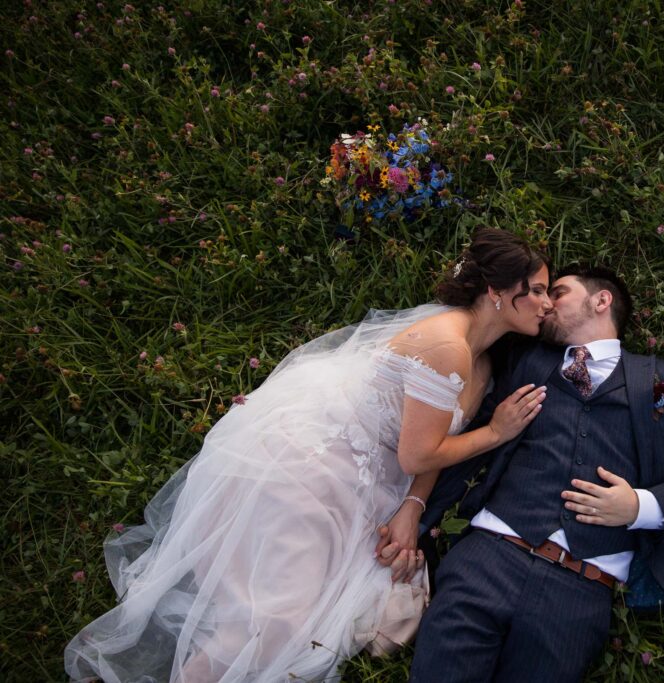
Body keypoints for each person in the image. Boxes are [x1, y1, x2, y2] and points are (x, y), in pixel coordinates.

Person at [64, 228, 552, 683]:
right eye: (538, 289)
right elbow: (418, 454)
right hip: (308, 467)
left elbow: (428, 446)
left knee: (291, 615)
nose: (547, 304)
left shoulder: (483, 362)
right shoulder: (447, 347)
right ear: (496, 291)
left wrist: (413, 506)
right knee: (275, 619)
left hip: (361, 480)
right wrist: (495, 432)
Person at [409, 264, 664, 682]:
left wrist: (638, 506)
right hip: (487, 560)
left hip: (578, 592)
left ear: (601, 300)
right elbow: (455, 429)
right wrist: (414, 511)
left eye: (557, 293)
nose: (544, 304)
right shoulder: (522, 359)